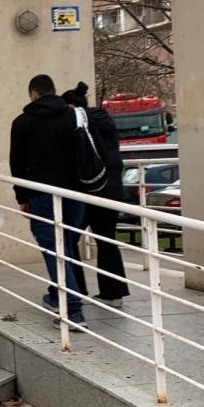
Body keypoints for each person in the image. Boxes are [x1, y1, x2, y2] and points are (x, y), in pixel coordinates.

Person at [10, 74, 87, 329]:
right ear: (53, 91)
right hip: (75, 194)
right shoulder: (73, 116)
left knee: (55, 251)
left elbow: (17, 164)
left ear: (33, 94)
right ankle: (57, 295)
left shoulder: (22, 123)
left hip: (41, 195)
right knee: (67, 246)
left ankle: (72, 311)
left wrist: (22, 198)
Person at [62, 81, 130, 307]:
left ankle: (76, 289)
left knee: (69, 239)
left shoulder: (77, 124)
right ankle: (113, 293)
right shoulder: (105, 120)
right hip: (111, 189)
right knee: (106, 239)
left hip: (85, 190)